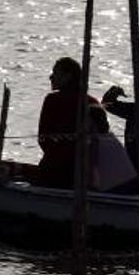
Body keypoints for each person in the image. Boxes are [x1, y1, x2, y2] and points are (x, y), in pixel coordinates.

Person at [36, 57, 100, 188]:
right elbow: (102, 134)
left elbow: (43, 137)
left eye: (55, 73)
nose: (51, 77)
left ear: (68, 76)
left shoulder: (53, 100)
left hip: (54, 169)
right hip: (83, 172)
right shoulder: (91, 102)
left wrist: (55, 154)